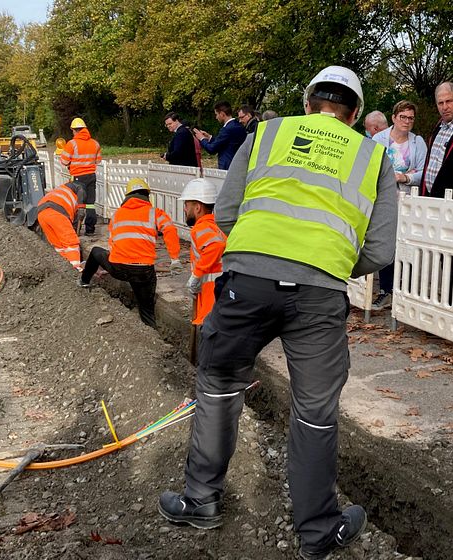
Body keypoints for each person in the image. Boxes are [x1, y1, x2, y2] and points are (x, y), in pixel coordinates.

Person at [158, 65, 398, 560]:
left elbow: (225, 212)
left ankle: (201, 500)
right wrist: (326, 259)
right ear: (354, 115)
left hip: (247, 284)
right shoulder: (373, 157)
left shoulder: (266, 134)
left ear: (308, 103)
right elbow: (379, 248)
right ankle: (316, 534)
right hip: (319, 296)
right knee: (314, 412)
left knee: (219, 382)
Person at [79, 178, 182, 328]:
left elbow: (113, 243)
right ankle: (151, 333)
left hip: (118, 267)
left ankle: (84, 282)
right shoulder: (155, 213)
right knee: (146, 308)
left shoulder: (117, 215)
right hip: (143, 270)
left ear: (127, 197)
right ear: (147, 196)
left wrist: (110, 264)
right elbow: (170, 231)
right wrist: (175, 259)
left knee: (95, 252)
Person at [370, 100, 427, 311]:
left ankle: (403, 292)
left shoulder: (417, 142)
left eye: (410, 118)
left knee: (404, 245)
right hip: (382, 199)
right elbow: (371, 167)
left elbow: (423, 172)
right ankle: (385, 290)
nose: (407, 121)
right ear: (394, 118)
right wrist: (388, 177)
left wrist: (403, 177)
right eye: (403, 117)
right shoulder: (379, 140)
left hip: (406, 202)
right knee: (385, 244)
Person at [179, 178, 226, 325]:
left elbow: (215, 246)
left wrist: (196, 275)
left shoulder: (202, 228)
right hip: (217, 293)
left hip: (211, 296)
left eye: (186, 205)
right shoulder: (216, 226)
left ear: (197, 207)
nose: (185, 209)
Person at [60, 118, 102, 236]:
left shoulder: (71, 144)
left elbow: (64, 161)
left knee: (77, 204)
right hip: (91, 176)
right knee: (90, 204)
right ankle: (90, 229)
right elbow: (98, 161)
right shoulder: (95, 143)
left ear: (74, 130)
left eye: (72, 130)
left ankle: (75, 229)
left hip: (77, 178)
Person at [36, 181, 86, 271]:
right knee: (71, 242)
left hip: (41, 214)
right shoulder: (76, 194)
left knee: (58, 245)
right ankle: (75, 269)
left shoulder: (61, 190)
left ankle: (63, 269)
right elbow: (74, 221)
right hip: (56, 212)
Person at [193, 101, 246, 170]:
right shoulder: (238, 126)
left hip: (227, 166)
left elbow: (212, 149)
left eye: (216, 114)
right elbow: (225, 143)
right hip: (238, 164)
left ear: (222, 114)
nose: (216, 117)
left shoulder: (226, 129)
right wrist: (209, 137)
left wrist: (202, 139)